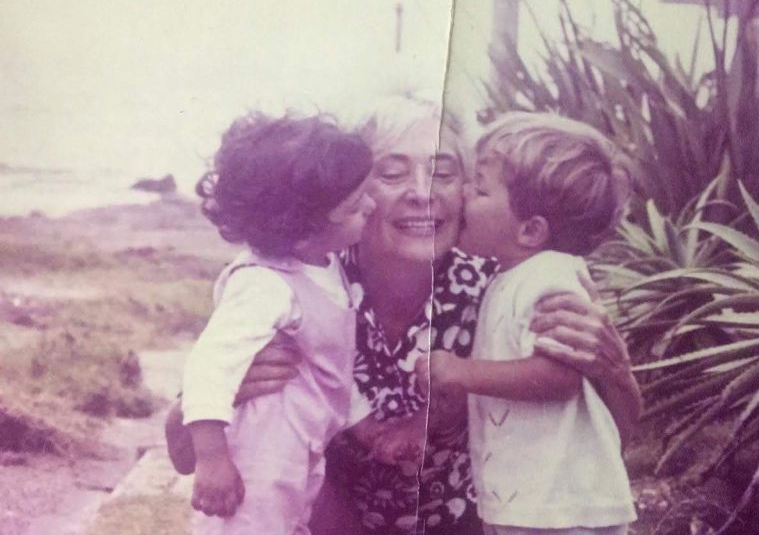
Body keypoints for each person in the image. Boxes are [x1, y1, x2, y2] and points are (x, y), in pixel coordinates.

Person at [167, 97, 642, 535]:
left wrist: (614, 369)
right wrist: (218, 396)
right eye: (392, 174)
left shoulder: (507, 285)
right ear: (350, 191)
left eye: (443, 173)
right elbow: (185, 454)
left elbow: (614, 435)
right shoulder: (298, 279)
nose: (421, 193)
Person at [424, 112, 636, 535]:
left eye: (480, 189)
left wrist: (461, 372)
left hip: (559, 505)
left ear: (531, 230)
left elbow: (559, 377)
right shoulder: (512, 276)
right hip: (536, 503)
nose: (464, 195)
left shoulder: (549, 276)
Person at [180, 112, 391, 535]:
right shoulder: (265, 285)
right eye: (354, 206)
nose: (371, 206)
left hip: (298, 451)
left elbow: (325, 367)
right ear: (302, 229)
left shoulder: (324, 265)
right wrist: (212, 458)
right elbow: (209, 366)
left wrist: (365, 424)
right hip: (257, 457)